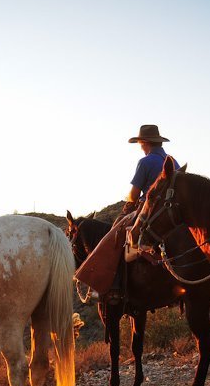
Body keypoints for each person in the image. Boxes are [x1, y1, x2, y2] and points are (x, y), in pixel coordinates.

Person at [73, 124, 175, 300]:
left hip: (148, 208)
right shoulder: (172, 161)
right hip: (170, 210)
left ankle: (115, 286)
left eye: (140, 143)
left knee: (115, 236)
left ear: (144, 142)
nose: (140, 147)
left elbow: (134, 195)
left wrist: (127, 205)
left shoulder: (146, 162)